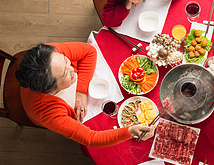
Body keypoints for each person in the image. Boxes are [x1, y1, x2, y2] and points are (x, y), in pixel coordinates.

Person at [15, 42, 154, 147]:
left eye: (66, 61)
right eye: (65, 73)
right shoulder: (46, 112)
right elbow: (91, 139)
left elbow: (89, 51)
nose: (72, 69)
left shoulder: (50, 56)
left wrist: (81, 91)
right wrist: (130, 131)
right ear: (52, 90)